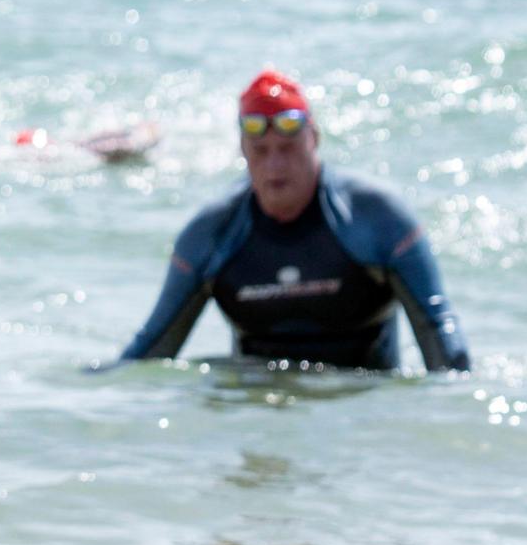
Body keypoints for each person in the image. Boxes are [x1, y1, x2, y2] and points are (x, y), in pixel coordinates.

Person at [118, 69, 470, 372]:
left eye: (287, 149)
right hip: (259, 408)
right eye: (261, 151)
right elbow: (150, 350)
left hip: (360, 413)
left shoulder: (378, 219)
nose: (274, 166)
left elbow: (439, 331)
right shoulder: (211, 234)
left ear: (313, 140)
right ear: (243, 149)